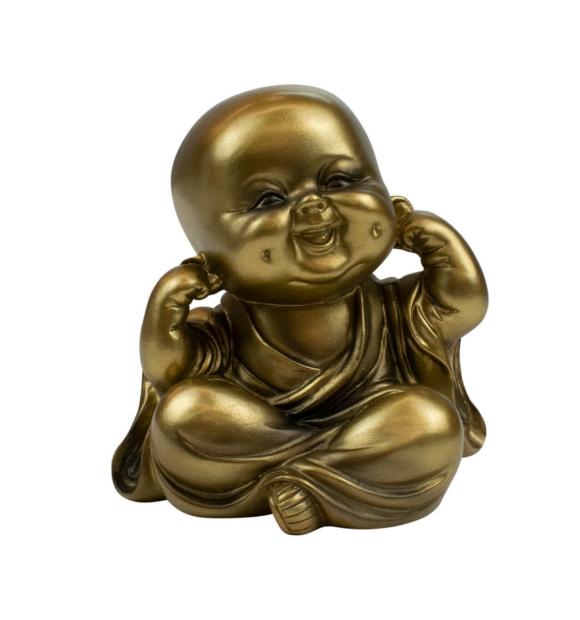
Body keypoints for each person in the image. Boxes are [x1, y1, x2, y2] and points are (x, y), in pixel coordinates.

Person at [112, 86, 488, 535]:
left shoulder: (392, 309)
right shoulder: (225, 331)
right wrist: (167, 304)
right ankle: (331, 477)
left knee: (430, 422)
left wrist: (437, 241)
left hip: (377, 423)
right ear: (208, 255)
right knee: (183, 415)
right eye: (269, 200)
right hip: (272, 435)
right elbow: (170, 372)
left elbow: (462, 307)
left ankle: (295, 479)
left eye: (340, 181)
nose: (314, 205)